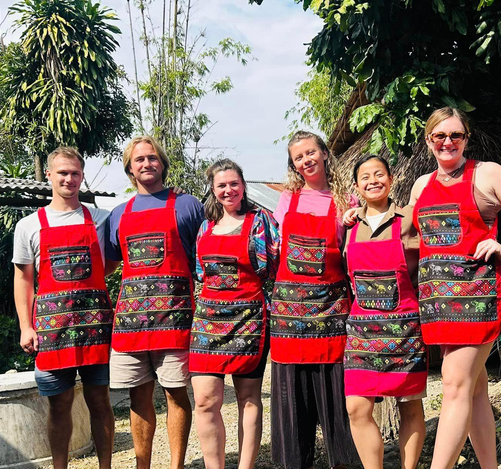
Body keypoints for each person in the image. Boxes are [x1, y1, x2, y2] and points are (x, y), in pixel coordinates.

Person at [408, 107, 501, 469]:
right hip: (439, 303)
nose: (448, 142)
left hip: (479, 297)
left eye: (456, 135)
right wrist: (358, 217)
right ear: (429, 141)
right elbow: (405, 232)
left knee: (454, 385)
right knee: (476, 390)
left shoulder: (487, 174)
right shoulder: (421, 185)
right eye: (440, 136)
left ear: (467, 138)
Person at [104, 135, 205, 469]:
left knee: (176, 393)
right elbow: (106, 264)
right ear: (130, 169)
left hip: (175, 320)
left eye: (152, 158)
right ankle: (142, 465)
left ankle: (176, 465)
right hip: (131, 325)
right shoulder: (119, 214)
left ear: (162, 163)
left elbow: (204, 256)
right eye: (139, 160)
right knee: (137, 395)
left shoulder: (188, 205)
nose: (146, 164)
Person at [13, 147, 114, 469]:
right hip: (52, 330)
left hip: (96, 327)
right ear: (49, 175)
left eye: (74, 173)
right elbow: (24, 280)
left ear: (82, 177)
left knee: (99, 400)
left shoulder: (101, 220)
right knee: (59, 403)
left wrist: (87, 284)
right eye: (62, 173)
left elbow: (110, 262)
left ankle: (106, 466)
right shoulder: (29, 225)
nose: (69, 179)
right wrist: (26, 326)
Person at [270, 131, 360, 469]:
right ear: (293, 164)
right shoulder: (287, 200)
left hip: (331, 312)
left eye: (311, 152)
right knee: (293, 401)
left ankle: (346, 462)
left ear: (323, 154)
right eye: (298, 157)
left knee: (335, 396)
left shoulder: (346, 201)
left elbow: (353, 252)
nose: (306, 160)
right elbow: (277, 247)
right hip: (289, 319)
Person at [189, 159, 280, 469]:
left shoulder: (260, 222)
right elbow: (200, 272)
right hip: (208, 320)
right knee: (204, 402)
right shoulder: (204, 228)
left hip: (249, 318)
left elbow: (273, 266)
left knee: (249, 398)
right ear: (213, 191)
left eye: (233, 183)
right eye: (221, 185)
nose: (228, 190)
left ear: (243, 186)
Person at [343, 155, 427, 469]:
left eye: (379, 174)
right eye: (365, 177)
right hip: (362, 333)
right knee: (356, 408)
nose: (373, 181)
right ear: (357, 186)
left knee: (410, 407)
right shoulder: (349, 226)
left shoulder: (408, 219)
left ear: (391, 180)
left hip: (404, 330)